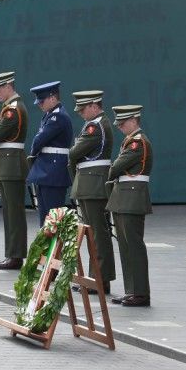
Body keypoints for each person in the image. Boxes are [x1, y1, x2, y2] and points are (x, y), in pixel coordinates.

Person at [69, 90, 115, 294]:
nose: (80, 113)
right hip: (91, 183)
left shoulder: (95, 127)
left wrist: (75, 148)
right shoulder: (95, 124)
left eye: (83, 108)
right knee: (93, 233)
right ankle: (96, 276)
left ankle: (100, 278)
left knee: (97, 233)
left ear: (94, 106)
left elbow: (74, 152)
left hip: (94, 184)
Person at [107, 105, 153, 307]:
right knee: (125, 247)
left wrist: (111, 171)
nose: (119, 127)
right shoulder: (131, 141)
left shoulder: (138, 143)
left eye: (123, 123)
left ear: (134, 120)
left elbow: (117, 167)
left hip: (131, 197)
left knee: (133, 246)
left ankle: (140, 292)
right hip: (124, 197)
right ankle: (131, 290)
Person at [0, 72, 28, 270]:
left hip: (11, 163)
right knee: (9, 211)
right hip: (7, 163)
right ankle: (12, 253)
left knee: (13, 212)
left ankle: (15, 254)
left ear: (8, 86)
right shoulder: (9, 108)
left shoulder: (13, 110)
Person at [26, 81, 73, 226]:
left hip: (53, 172)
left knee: (52, 218)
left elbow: (39, 140)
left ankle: (54, 249)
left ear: (53, 98)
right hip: (47, 170)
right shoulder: (50, 115)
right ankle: (47, 248)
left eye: (42, 101)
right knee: (46, 218)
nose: (39, 104)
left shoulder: (57, 116)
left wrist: (33, 152)